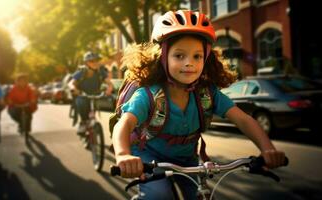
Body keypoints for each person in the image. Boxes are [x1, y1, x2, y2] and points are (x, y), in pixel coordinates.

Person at [112, 10, 286, 199]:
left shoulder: (207, 93)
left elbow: (243, 120)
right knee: (160, 195)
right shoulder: (148, 95)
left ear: (206, 58)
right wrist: (123, 155)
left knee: (199, 195)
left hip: (187, 159)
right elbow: (125, 123)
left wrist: (267, 148)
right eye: (179, 56)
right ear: (162, 58)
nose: (189, 63)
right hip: (148, 156)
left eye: (197, 56)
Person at [72, 51, 113, 133]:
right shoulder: (82, 72)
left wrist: (109, 89)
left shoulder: (100, 72)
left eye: (96, 60)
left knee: (98, 105)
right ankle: (83, 123)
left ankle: (92, 126)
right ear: (86, 63)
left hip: (95, 95)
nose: (95, 63)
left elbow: (109, 83)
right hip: (83, 95)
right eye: (91, 61)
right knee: (80, 102)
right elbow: (72, 83)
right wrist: (74, 89)